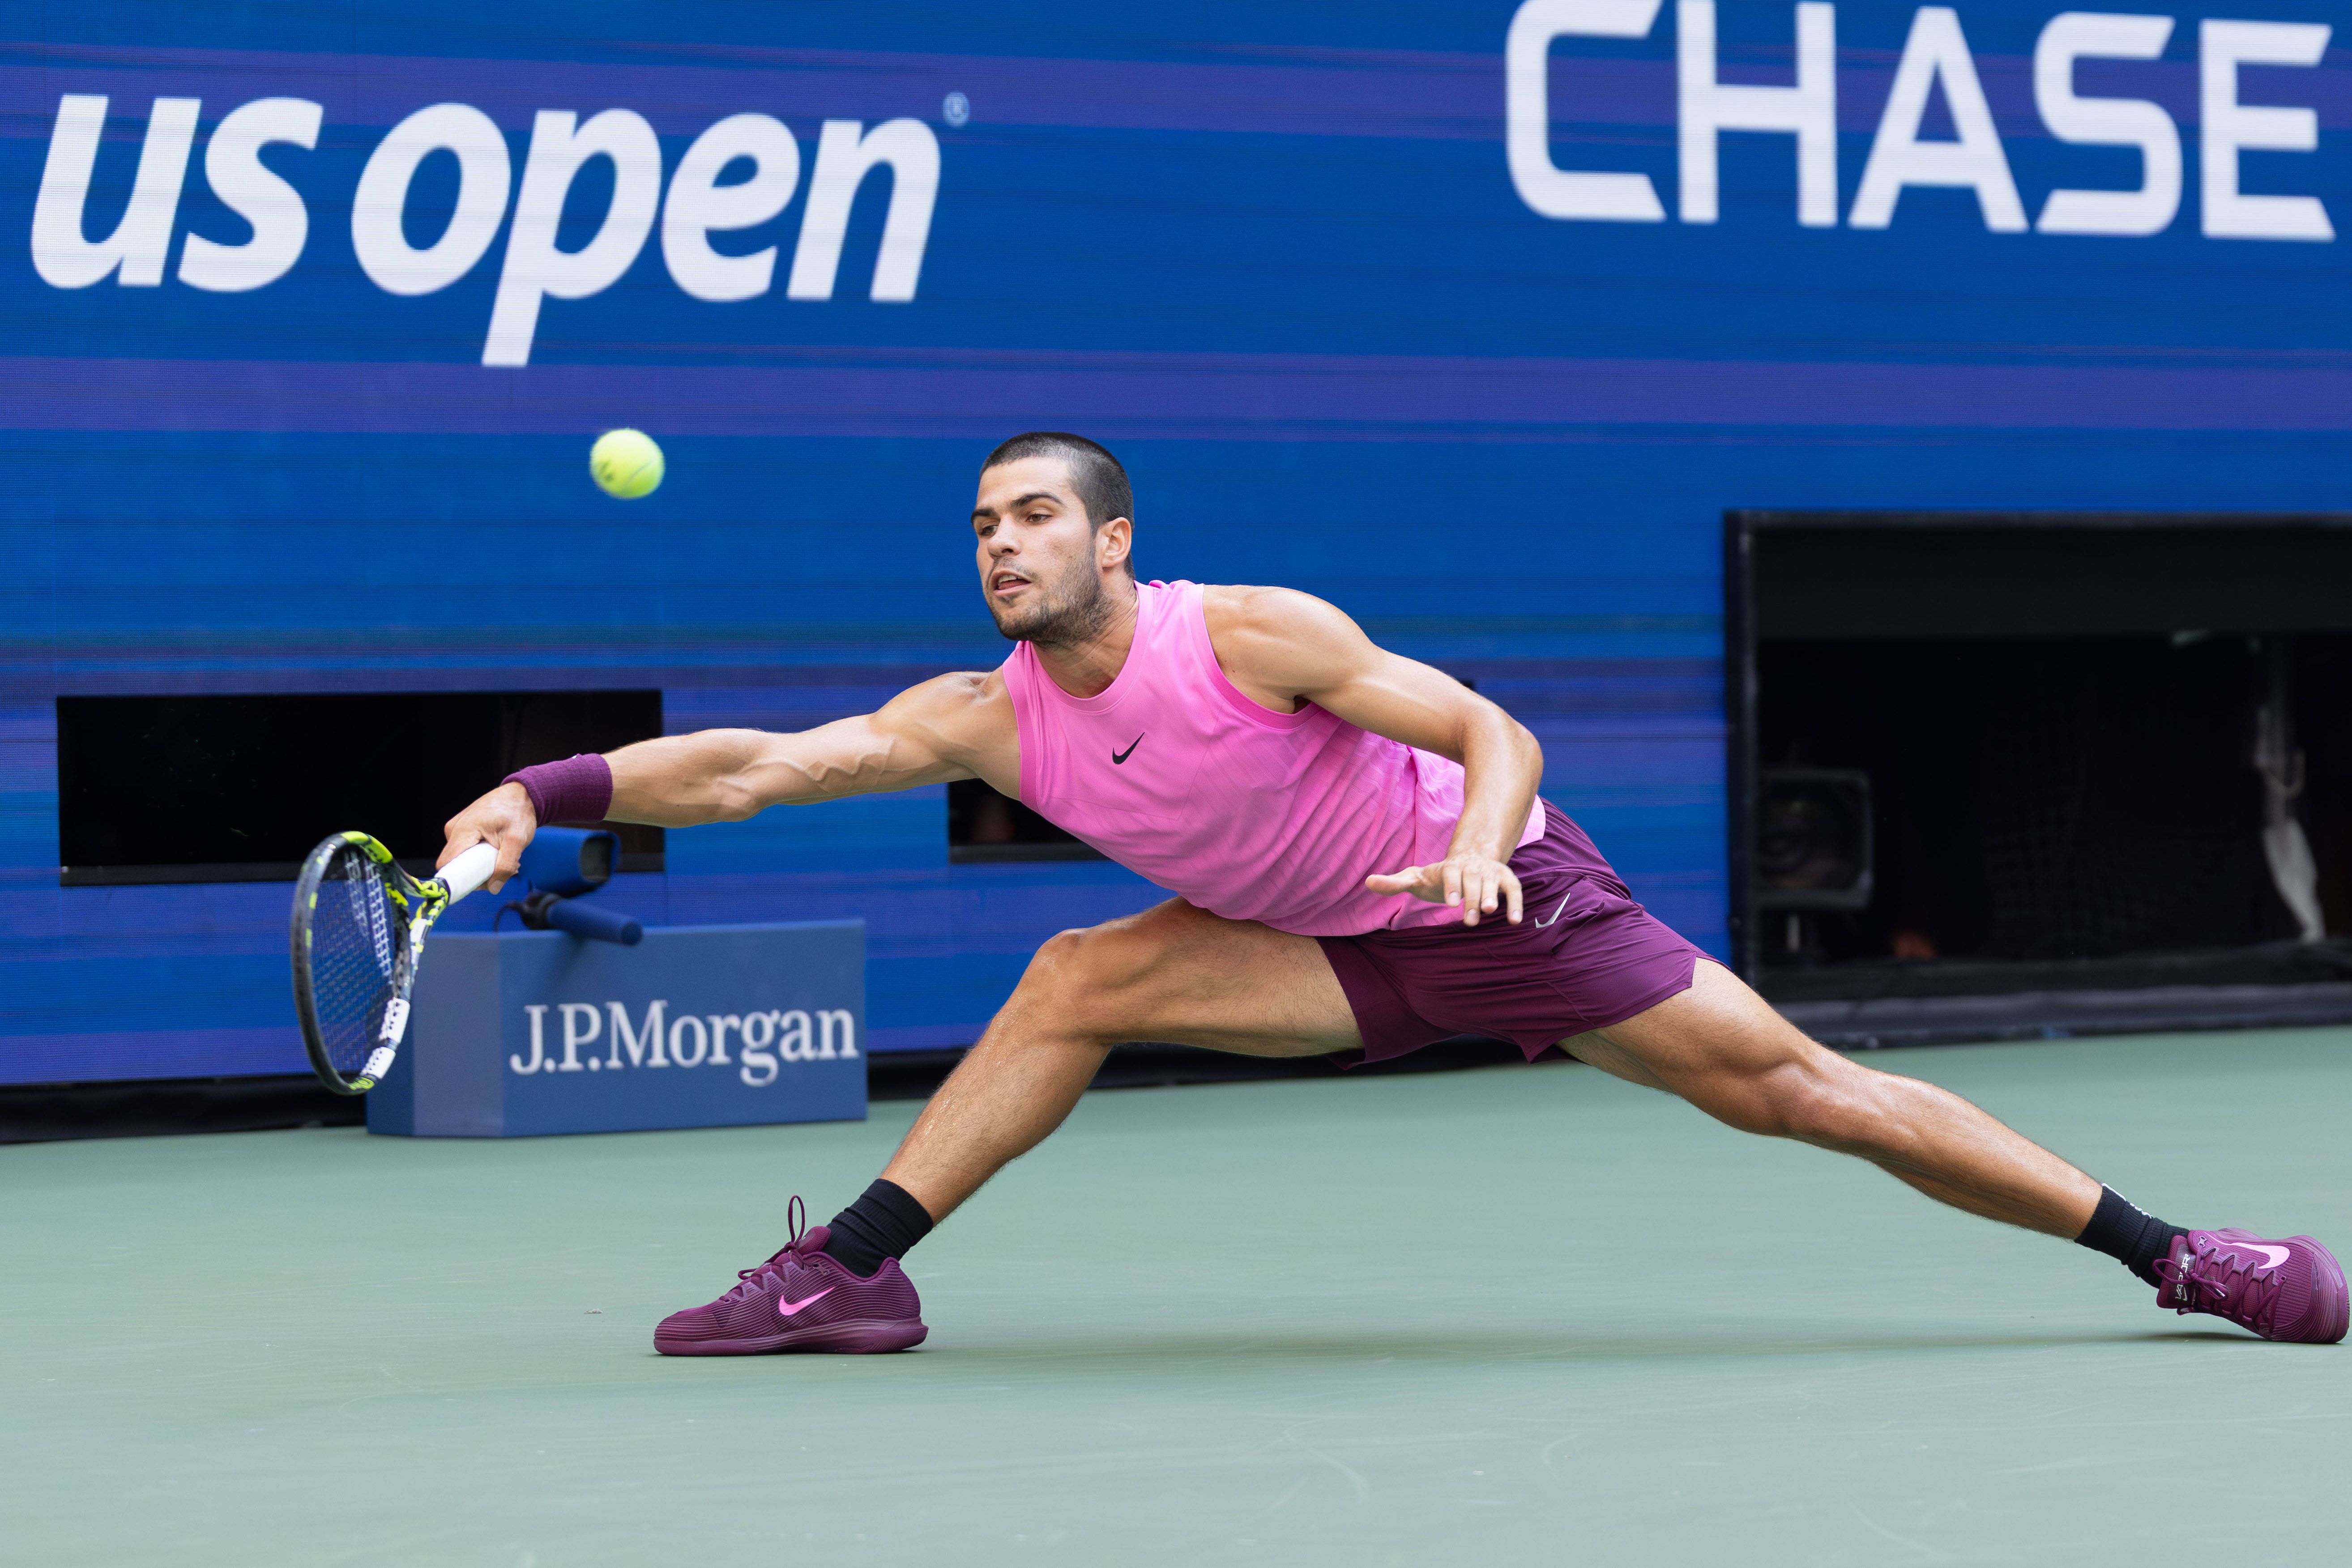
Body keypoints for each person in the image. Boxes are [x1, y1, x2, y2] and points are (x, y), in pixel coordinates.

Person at [439, 432, 2347, 1353]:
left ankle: (2183, 1255)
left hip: (1497, 900)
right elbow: (758, 768)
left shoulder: (1249, 633)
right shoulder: (989, 715)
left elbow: (1486, 725)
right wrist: (536, 793)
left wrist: (1479, 841)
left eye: (1033, 518)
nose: (1001, 549)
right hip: (1320, 948)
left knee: (1803, 1092)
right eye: (981, 528)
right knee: (1078, 972)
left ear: (1114, 538)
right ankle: (850, 1274)